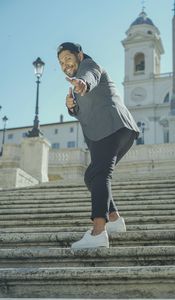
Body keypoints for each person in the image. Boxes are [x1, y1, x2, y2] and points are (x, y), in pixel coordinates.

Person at [57, 42, 140, 249]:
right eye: (61, 62)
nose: (65, 64)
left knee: (101, 174)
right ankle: (114, 219)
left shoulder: (89, 66)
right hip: (108, 132)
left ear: (79, 55)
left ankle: (98, 232)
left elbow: (89, 78)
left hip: (111, 126)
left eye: (68, 58)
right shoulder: (76, 83)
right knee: (91, 175)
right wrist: (72, 107)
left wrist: (82, 84)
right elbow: (83, 107)